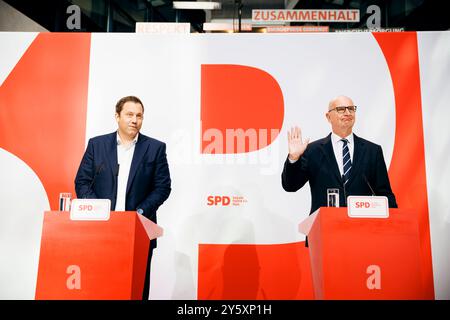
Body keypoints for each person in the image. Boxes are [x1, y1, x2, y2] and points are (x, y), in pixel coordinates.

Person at [74, 95, 171, 300]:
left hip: (139, 232)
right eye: (129, 114)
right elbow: (82, 182)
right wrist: (99, 210)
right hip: (101, 230)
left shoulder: (155, 148)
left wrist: (139, 213)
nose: (134, 120)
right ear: (117, 116)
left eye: (139, 116)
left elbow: (163, 187)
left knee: (135, 291)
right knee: (100, 289)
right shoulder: (96, 145)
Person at [282, 95, 397, 216]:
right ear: (328, 117)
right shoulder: (312, 150)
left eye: (351, 109)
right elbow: (291, 186)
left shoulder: (372, 151)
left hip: (362, 228)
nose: (347, 113)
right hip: (324, 229)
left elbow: (385, 196)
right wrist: (294, 158)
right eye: (341, 109)